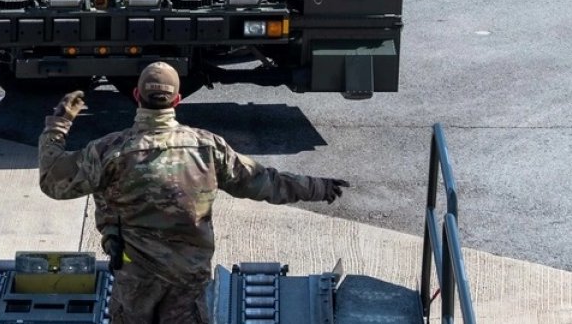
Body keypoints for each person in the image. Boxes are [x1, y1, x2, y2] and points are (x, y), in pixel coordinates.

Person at [38, 62, 350, 324]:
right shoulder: (207, 147)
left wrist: (58, 126)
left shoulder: (108, 152)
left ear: (136, 96)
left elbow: (53, 182)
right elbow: (262, 181)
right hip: (188, 280)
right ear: (177, 100)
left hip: (135, 279)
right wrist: (317, 187)